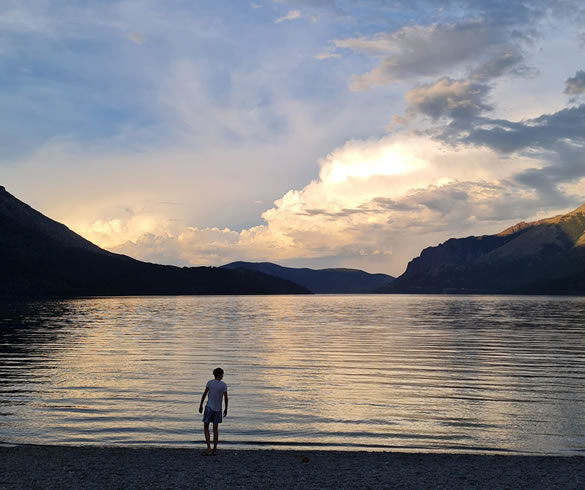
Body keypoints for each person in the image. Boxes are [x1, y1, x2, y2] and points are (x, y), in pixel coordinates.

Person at [199, 367, 228, 456]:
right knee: (215, 429)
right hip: (218, 409)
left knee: (206, 427)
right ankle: (214, 450)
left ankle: (209, 447)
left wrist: (200, 405)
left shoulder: (210, 383)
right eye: (222, 374)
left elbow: (204, 394)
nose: (223, 375)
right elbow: (225, 398)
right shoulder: (223, 385)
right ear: (219, 374)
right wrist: (226, 408)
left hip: (209, 407)